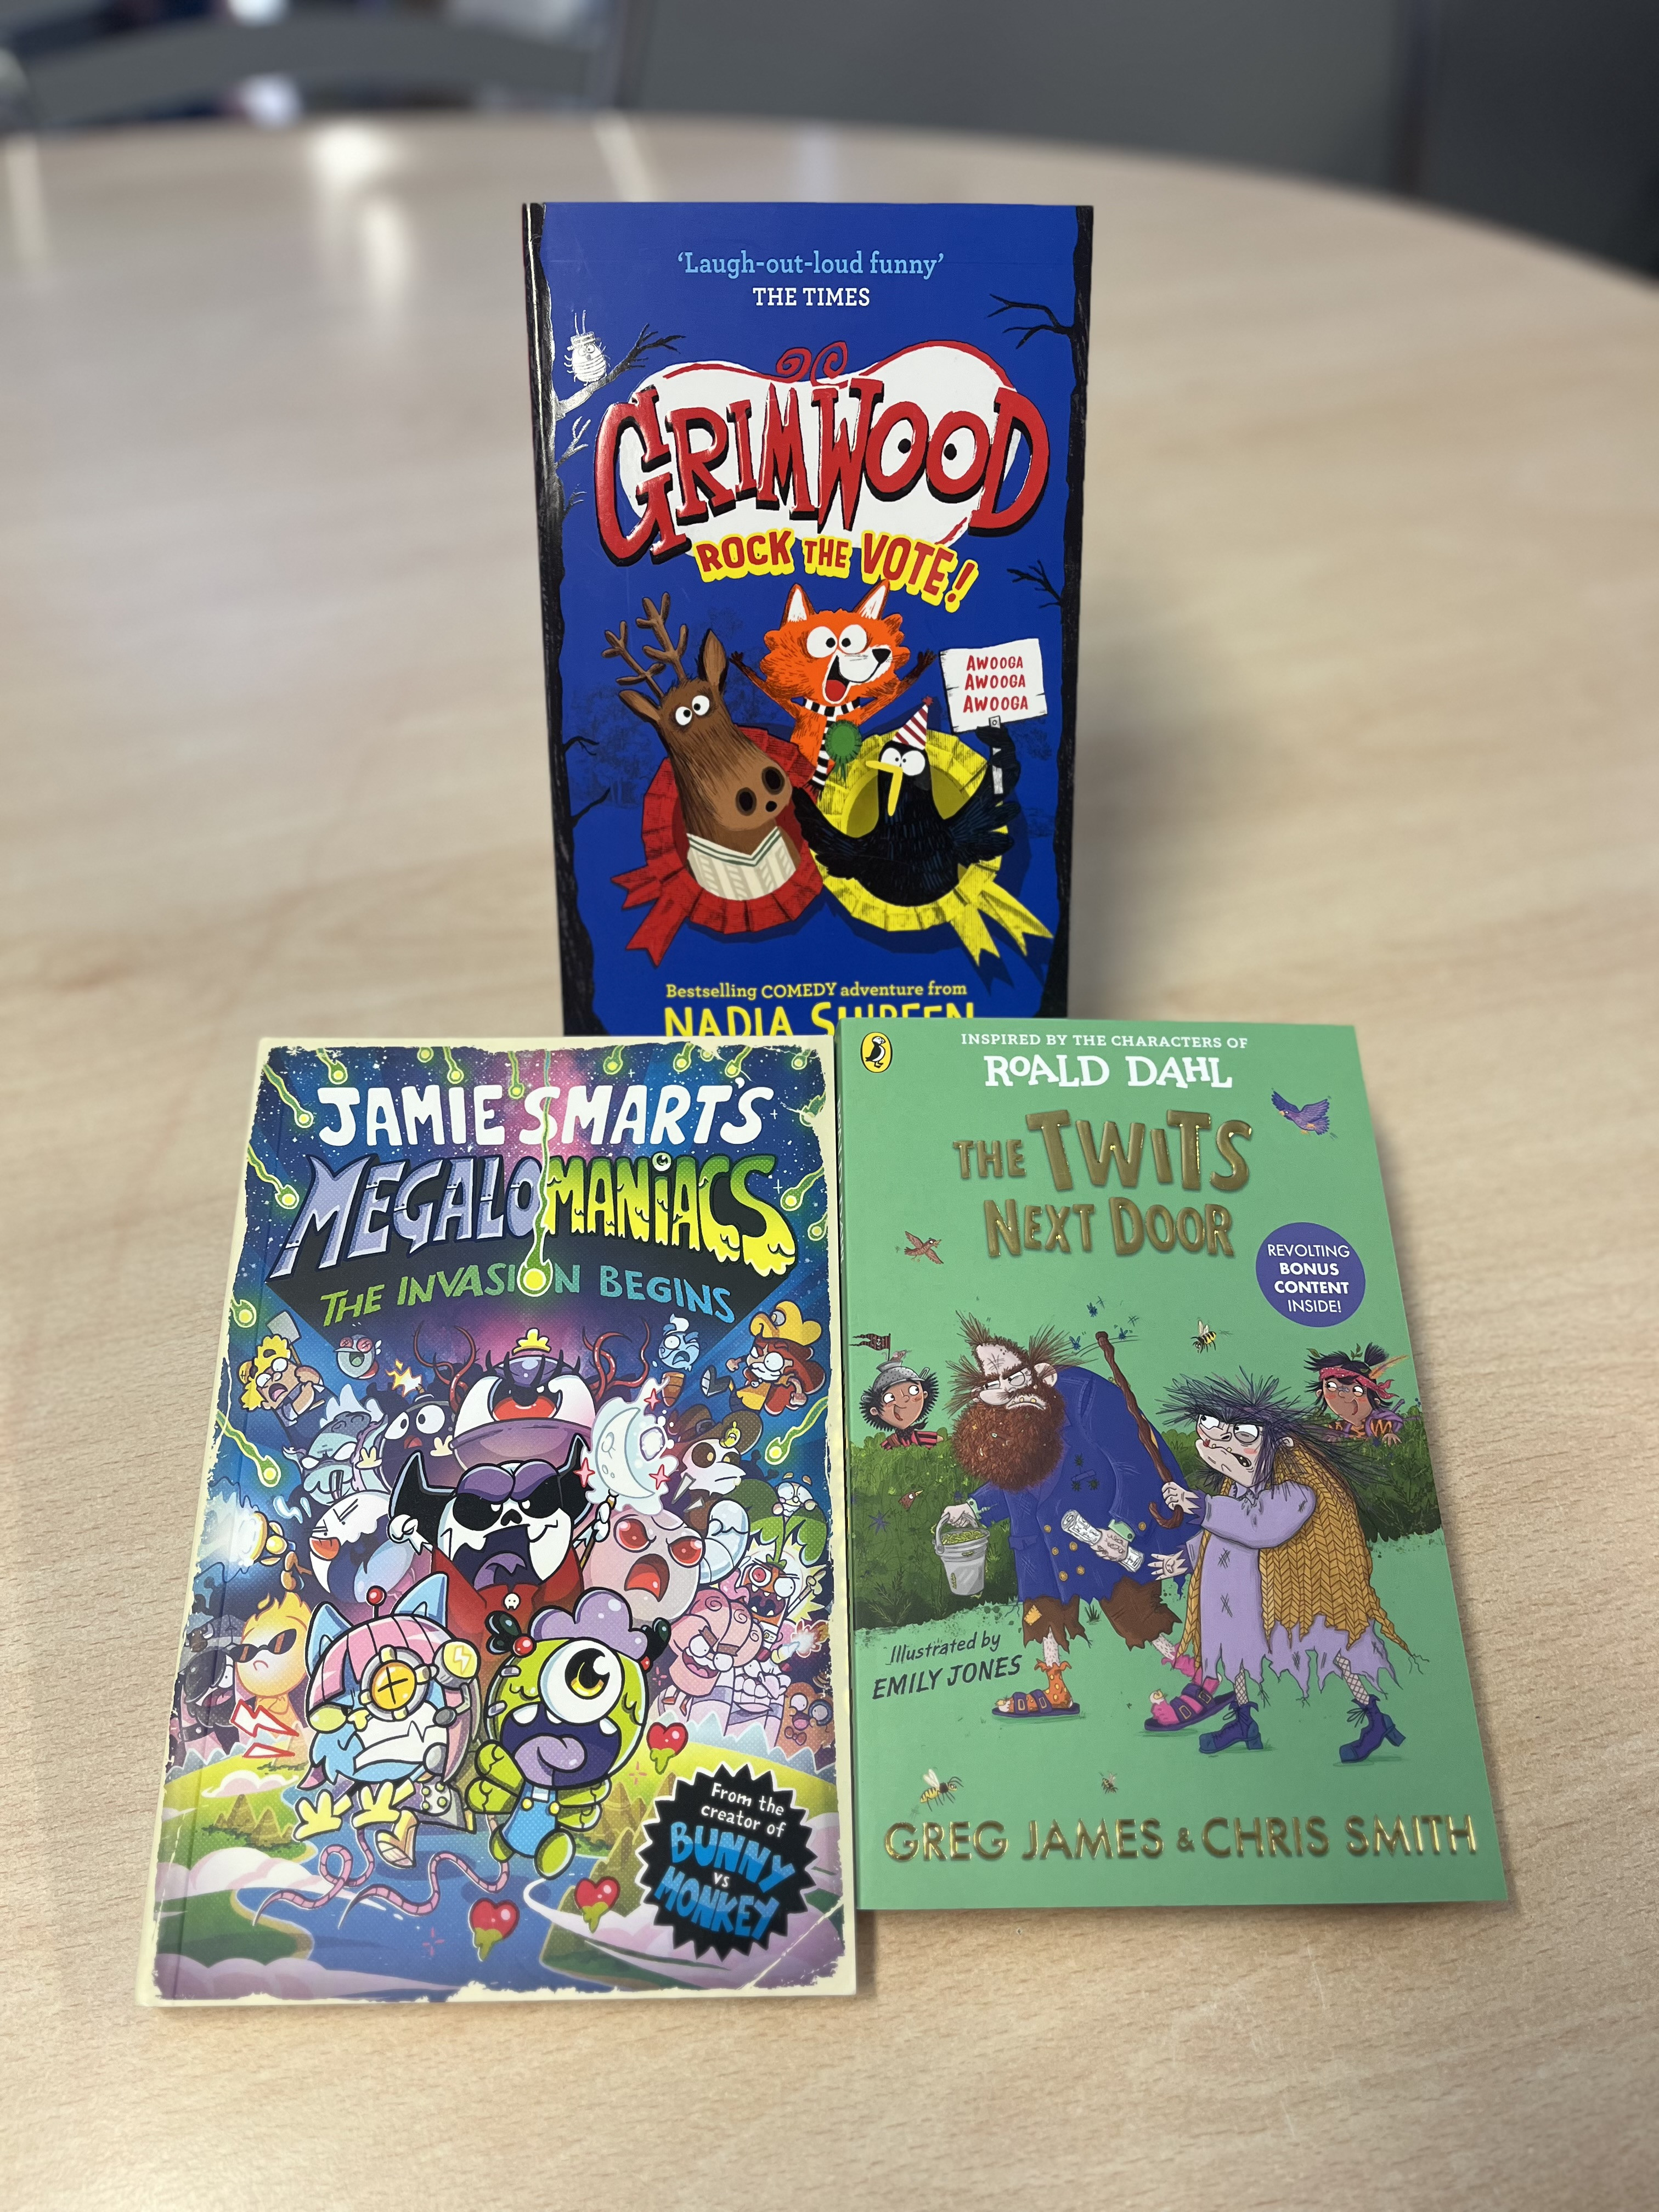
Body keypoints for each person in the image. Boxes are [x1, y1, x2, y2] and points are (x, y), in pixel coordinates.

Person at [938, 1318, 1201, 1717]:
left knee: (1133, 1610)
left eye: (1014, 1376)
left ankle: (1198, 1678)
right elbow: (1012, 1480)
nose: (1008, 1390)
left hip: (1103, 1526)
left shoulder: (1085, 1396)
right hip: (1040, 1544)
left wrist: (1123, 1527)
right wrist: (973, 1507)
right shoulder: (1002, 1422)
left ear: (1040, 1373)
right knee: (1042, 1614)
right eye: (995, 1384)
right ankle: (1056, 1691)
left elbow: (1134, 1461)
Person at [1147, 1373, 1408, 1761]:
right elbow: (1219, 1536)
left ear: (1279, 1446)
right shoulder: (1236, 1490)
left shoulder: (1295, 1492)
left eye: (1244, 1437)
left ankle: (1375, 1716)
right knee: (1234, 1655)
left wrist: (1201, 1506)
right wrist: (1184, 1559)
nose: (1227, 1447)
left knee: (1336, 1649)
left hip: (1286, 1602)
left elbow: (1259, 1526)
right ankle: (1243, 1722)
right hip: (1235, 1599)